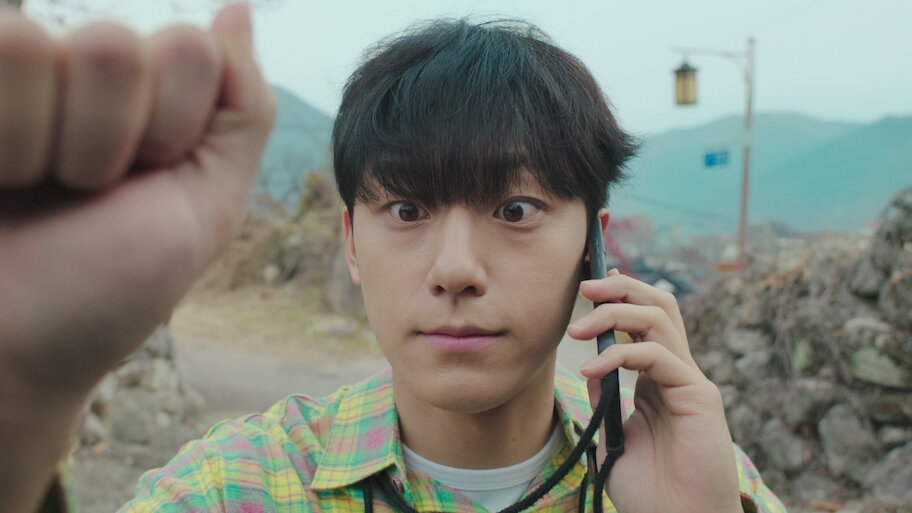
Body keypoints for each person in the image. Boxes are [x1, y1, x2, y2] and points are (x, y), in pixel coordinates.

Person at [0, 3, 786, 513]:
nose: (455, 269)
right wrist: (22, 406)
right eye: (407, 210)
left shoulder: (699, 476)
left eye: (515, 210)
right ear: (351, 241)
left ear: (593, 245)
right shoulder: (239, 487)